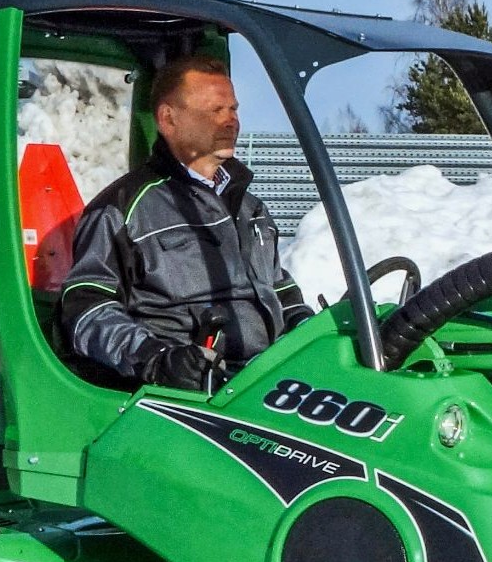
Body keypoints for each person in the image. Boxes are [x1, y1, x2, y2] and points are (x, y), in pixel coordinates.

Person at [59, 52, 310, 389]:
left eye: (233, 109)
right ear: (168, 119)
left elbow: (281, 292)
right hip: (186, 395)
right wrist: (156, 359)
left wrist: (309, 329)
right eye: (214, 111)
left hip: (264, 385)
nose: (230, 121)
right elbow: (86, 310)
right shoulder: (122, 210)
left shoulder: (251, 209)